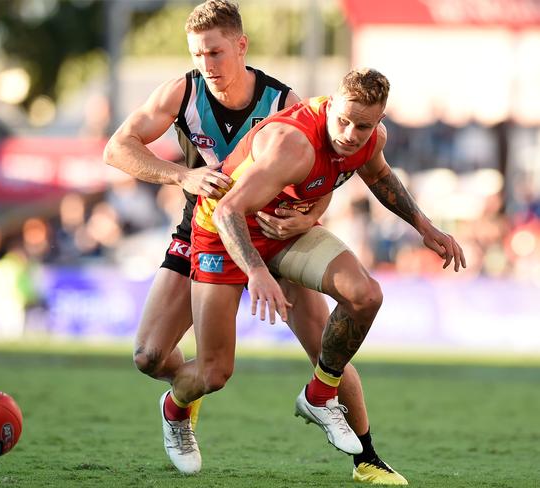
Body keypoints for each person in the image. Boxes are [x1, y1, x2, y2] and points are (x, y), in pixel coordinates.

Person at [104, 2, 407, 483]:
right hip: (203, 231)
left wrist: (309, 215)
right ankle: (185, 394)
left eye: (216, 52)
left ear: (241, 46)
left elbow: (324, 169)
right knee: (149, 358)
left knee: (327, 347)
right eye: (198, 54)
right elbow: (117, 147)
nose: (207, 64)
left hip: (272, 237)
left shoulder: (282, 101)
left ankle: (367, 459)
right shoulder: (181, 92)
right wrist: (181, 175)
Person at [172, 67, 465, 476]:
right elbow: (228, 210)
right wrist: (256, 273)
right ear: (330, 104)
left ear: (379, 120)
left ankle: (325, 401)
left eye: (363, 125)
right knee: (214, 372)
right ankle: (175, 407)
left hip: (288, 230)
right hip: (223, 233)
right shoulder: (293, 143)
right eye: (343, 119)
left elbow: (378, 175)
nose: (349, 132)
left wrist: (425, 227)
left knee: (366, 296)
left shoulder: (370, 138)